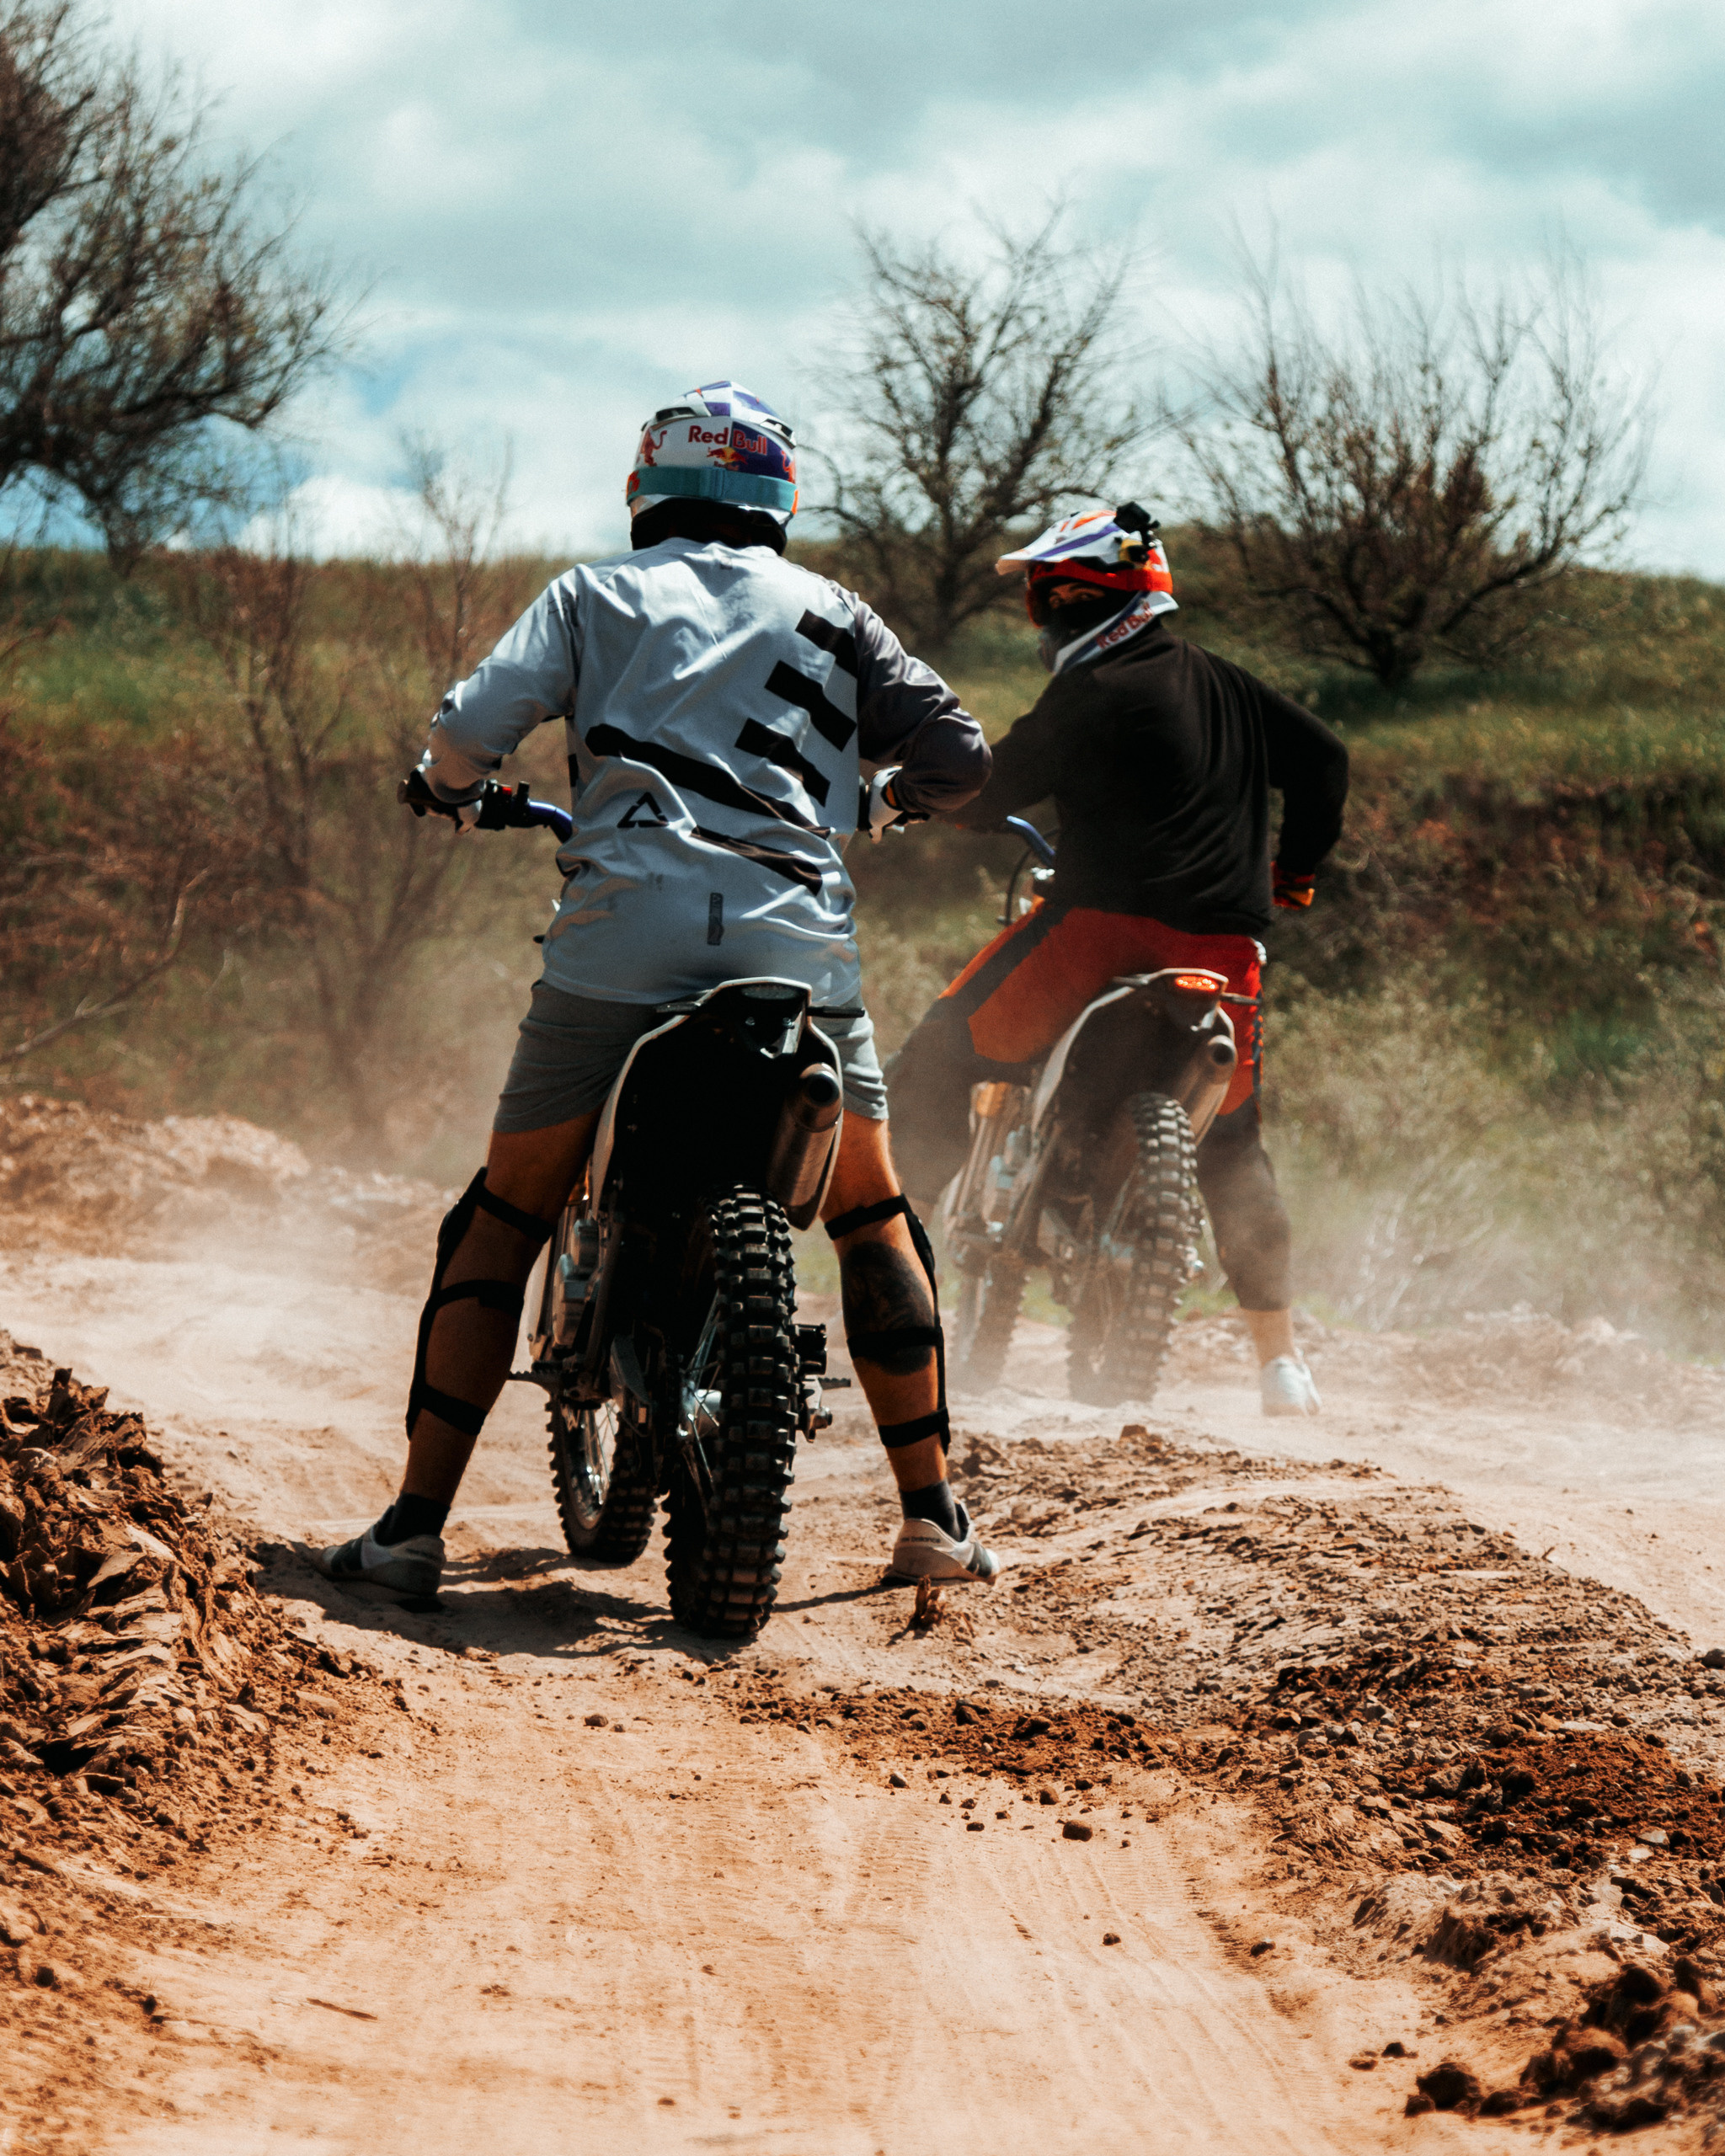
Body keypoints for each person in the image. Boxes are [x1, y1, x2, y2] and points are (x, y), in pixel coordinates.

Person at [311, 382, 998, 1604]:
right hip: (797, 951)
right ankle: (931, 1518)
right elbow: (959, 755)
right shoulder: (836, 612)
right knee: (871, 1215)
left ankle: (413, 1530)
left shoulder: (593, 595)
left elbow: (471, 728)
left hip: (622, 945)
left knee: (504, 1216)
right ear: (779, 497)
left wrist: (447, 785)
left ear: (648, 488)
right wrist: (882, 804)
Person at [888, 504, 1348, 1416]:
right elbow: (1325, 759)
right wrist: (1293, 871)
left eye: (1051, 597)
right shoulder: (1230, 685)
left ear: (1084, 601)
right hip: (1225, 952)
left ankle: (893, 1298)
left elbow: (988, 788)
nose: (1046, 616)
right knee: (1232, 1145)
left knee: (938, 1051)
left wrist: (925, 798)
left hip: (1097, 933)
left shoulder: (1092, 689)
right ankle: (1281, 1366)